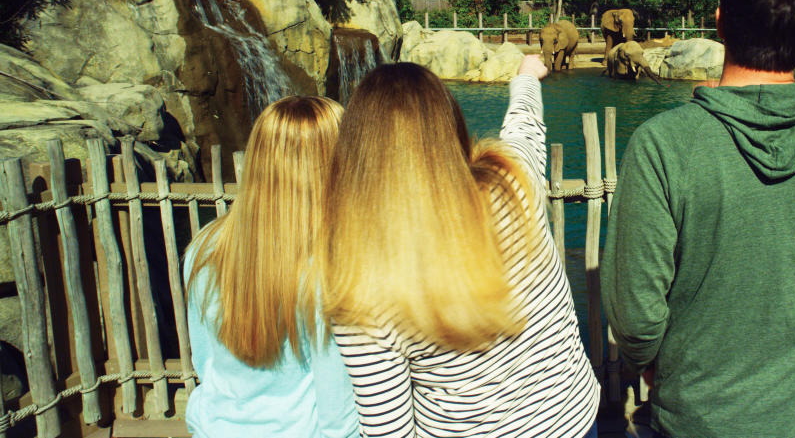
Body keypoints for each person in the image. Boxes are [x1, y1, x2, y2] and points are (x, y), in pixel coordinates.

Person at [602, 0, 795, 438]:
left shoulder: (664, 142)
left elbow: (636, 311)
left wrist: (651, 361)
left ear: (720, 23)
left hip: (699, 418)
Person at [319, 57, 600, 438]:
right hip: (571, 420)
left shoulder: (363, 287)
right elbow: (525, 127)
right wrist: (526, 77)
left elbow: (389, 430)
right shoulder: (512, 186)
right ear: (450, 125)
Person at [185, 96, 356, 438]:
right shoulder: (328, 266)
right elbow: (338, 412)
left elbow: (204, 360)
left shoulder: (204, 247)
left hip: (215, 428)